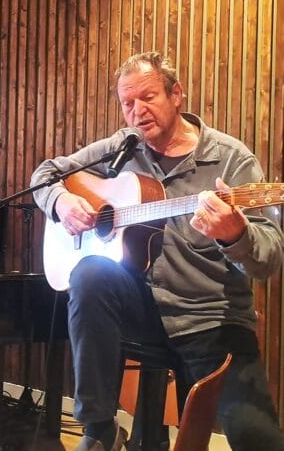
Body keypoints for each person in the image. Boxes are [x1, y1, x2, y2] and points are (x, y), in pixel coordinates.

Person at [31, 52, 284, 451]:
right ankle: (99, 428)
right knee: (89, 274)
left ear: (176, 94)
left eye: (147, 98)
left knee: (260, 440)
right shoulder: (123, 146)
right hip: (144, 311)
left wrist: (235, 234)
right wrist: (61, 202)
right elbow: (45, 174)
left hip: (211, 319)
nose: (137, 112)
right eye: (127, 103)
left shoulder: (232, 159)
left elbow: (269, 259)